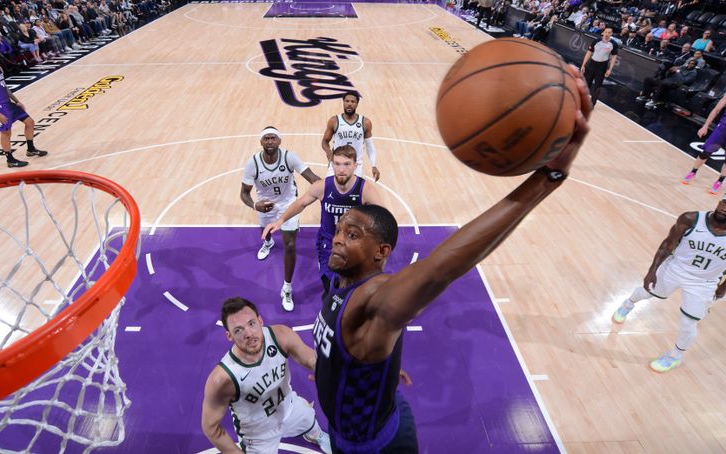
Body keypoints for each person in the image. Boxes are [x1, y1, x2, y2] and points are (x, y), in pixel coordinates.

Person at [309, 68, 591, 453]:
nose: (338, 238)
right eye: (341, 230)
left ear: (382, 253)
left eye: (353, 234)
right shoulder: (344, 284)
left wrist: (547, 179)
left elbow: (444, 266)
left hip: (374, 446)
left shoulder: (377, 298)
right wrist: (379, 366)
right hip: (370, 413)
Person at [201, 297, 331, 454]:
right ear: (229, 336)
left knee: (309, 420)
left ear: (260, 320)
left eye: (251, 323)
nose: (248, 333)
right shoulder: (222, 379)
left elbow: (309, 358)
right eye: (238, 330)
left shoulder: (280, 336)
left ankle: (316, 436)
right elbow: (210, 427)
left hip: (289, 407)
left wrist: (323, 370)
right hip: (257, 434)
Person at [611, 199, 726, 372]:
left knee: (688, 322)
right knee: (646, 292)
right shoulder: (690, 219)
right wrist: (652, 270)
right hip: (675, 268)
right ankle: (627, 304)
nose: (724, 208)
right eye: (724, 202)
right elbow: (667, 245)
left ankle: (675, 357)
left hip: (703, 283)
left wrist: (721, 290)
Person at [264, 145, 383, 294]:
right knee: (330, 284)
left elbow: (382, 216)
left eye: (346, 164)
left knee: (353, 285)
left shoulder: (365, 190)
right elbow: (301, 203)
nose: (341, 169)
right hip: (329, 242)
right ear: (332, 165)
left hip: (355, 243)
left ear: (355, 166)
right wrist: (280, 221)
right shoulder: (322, 187)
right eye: (337, 164)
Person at [241, 127, 320, 311]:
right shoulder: (253, 163)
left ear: (279, 141)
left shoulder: (289, 157)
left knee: (290, 244)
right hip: (265, 205)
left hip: (288, 204)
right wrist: (255, 205)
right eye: (266, 138)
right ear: (261, 142)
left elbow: (312, 178)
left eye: (273, 138)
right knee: (265, 233)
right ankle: (268, 244)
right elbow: (244, 193)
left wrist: (328, 186)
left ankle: (287, 288)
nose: (269, 142)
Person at [0, 47, 47, 167]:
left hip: (8, 103)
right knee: (6, 132)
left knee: (29, 122)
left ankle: (31, 149)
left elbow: (4, 86)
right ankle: (10, 160)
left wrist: (16, 101)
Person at [321, 92, 380, 181]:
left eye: (353, 102)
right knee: (329, 189)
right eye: (347, 101)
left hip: (356, 165)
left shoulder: (365, 122)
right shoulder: (334, 121)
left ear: (357, 104)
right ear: (343, 102)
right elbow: (324, 141)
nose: (349, 104)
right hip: (337, 162)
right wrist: (329, 152)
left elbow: (370, 146)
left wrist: (373, 165)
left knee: (354, 193)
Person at [682, 92, 726, 193]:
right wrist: (705, 126)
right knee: (706, 152)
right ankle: (693, 172)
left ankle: (720, 181)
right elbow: (716, 110)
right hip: (722, 129)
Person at [581, 27, 618, 104]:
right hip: (592, 64)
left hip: (602, 66)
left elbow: (614, 57)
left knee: (597, 86)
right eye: (606, 32)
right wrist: (583, 65)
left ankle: (592, 103)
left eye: (609, 32)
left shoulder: (613, 44)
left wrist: (610, 69)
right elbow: (589, 53)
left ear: (611, 34)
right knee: (587, 83)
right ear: (603, 33)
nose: (607, 34)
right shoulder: (596, 41)